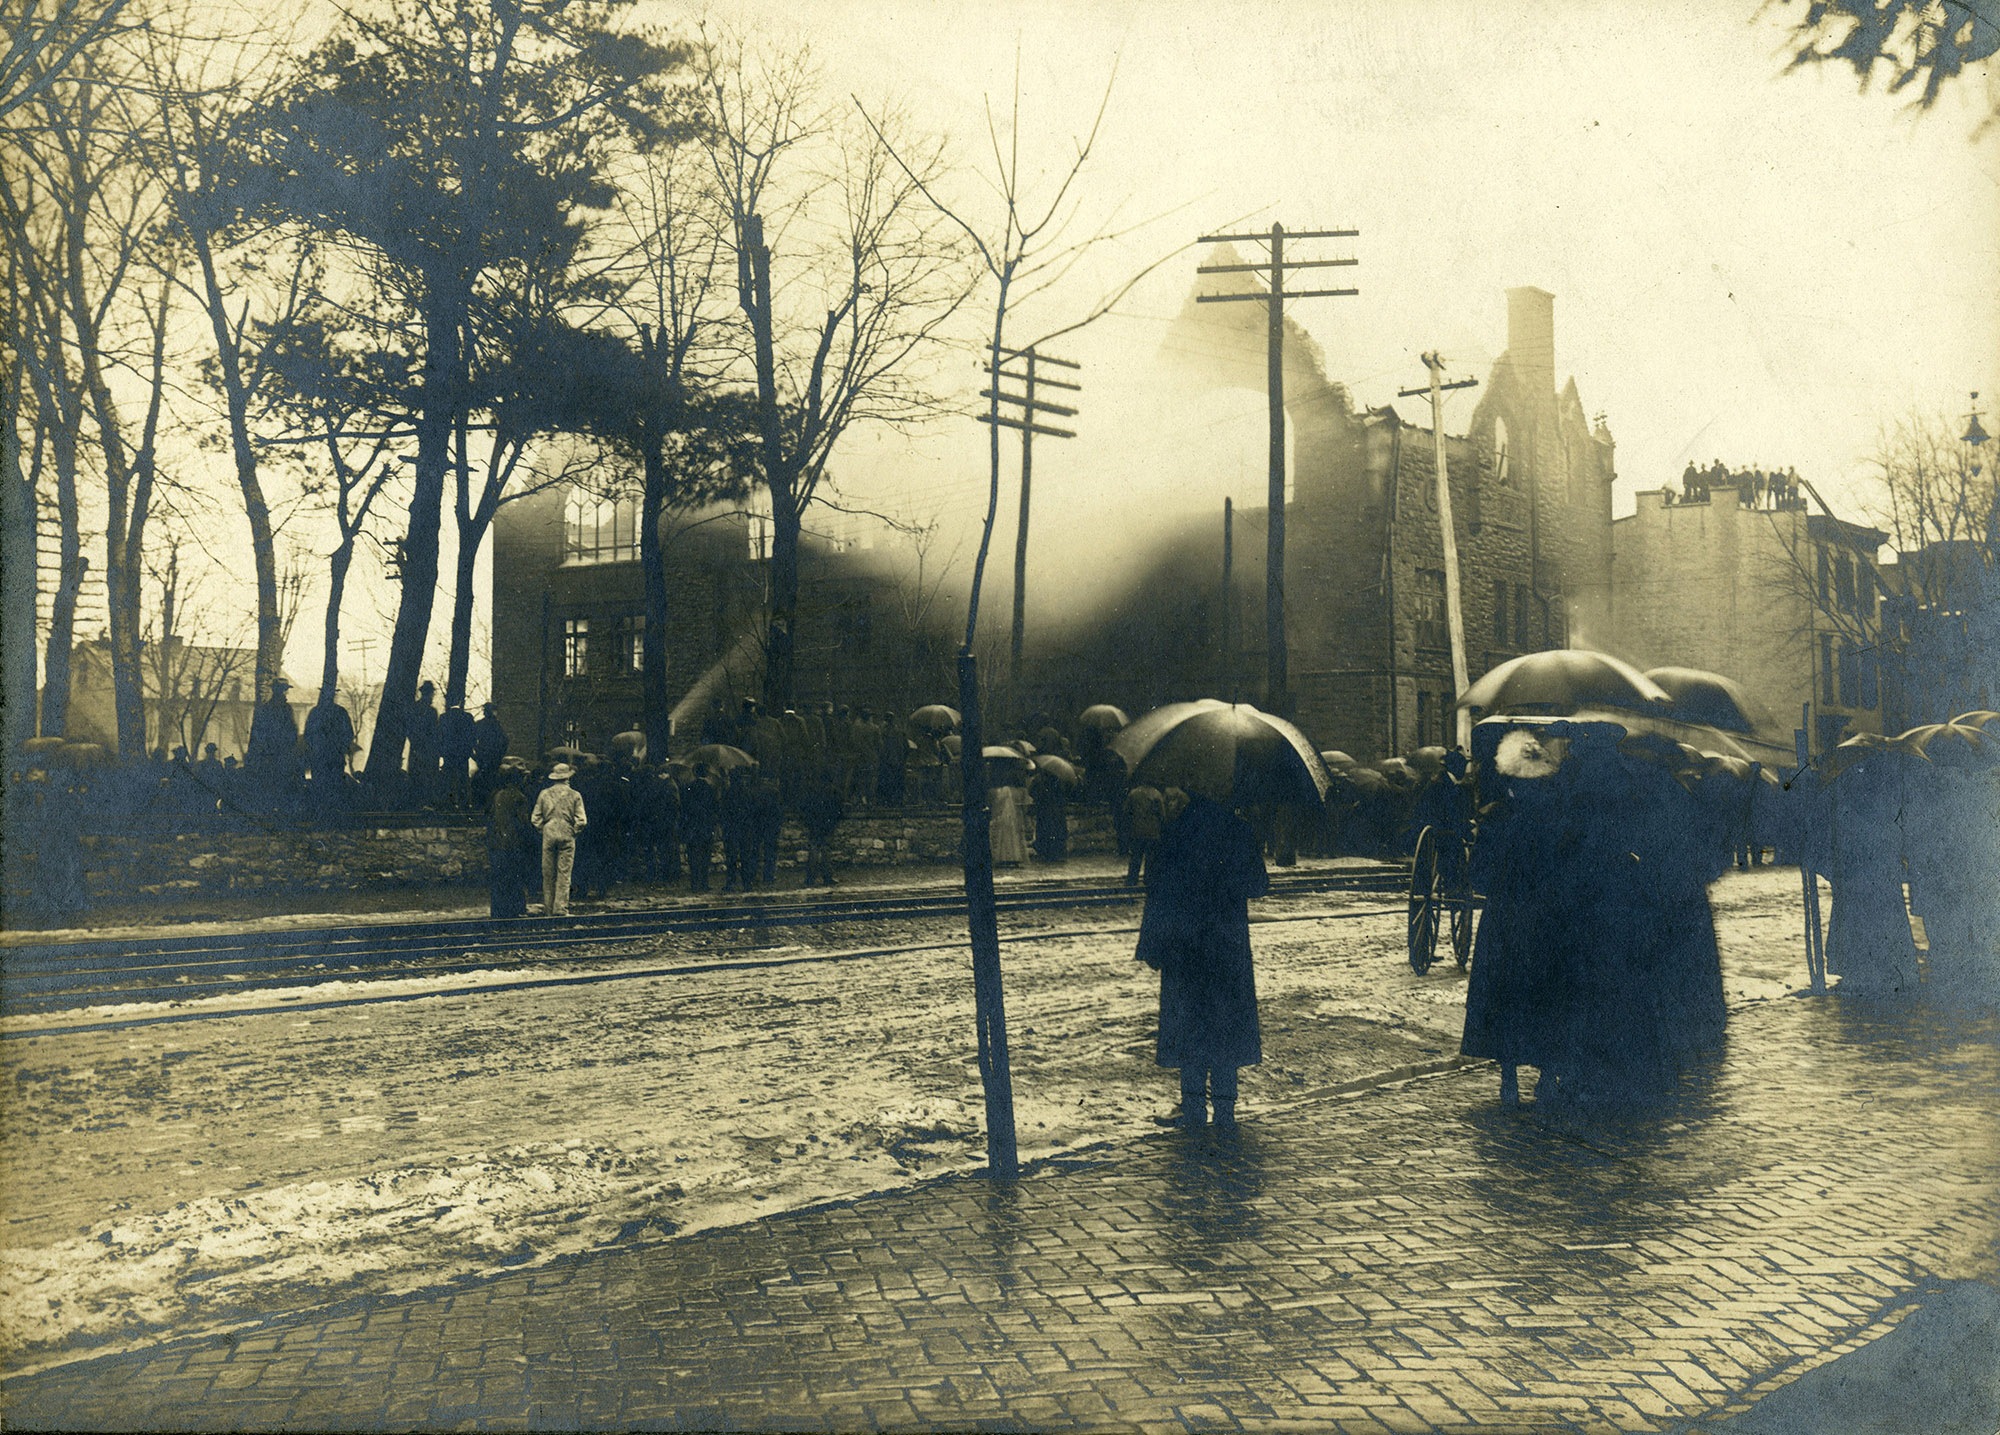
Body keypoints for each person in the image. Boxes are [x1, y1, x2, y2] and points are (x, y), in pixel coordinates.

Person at [1133, 788, 1270, 1130]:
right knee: (1225, 1027)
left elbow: (1155, 889)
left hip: (1185, 948)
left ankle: (1193, 1107)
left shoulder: (1174, 832)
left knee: (1189, 1027)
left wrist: (1151, 945)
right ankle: (1225, 1109)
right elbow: (1258, 885)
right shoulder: (1238, 830)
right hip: (1227, 947)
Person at [531, 761, 587, 916]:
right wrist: (574, 831)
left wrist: (543, 829)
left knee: (548, 873)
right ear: (567, 778)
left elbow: (535, 818)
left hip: (549, 831)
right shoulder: (575, 795)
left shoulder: (544, 794)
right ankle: (560, 908)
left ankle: (548, 908)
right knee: (564, 872)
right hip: (566, 831)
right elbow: (582, 820)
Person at [486, 764, 535, 918]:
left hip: (497, 842)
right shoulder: (520, 798)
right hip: (514, 843)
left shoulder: (498, 795)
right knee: (516, 877)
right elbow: (523, 822)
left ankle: (498, 911)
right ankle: (517, 909)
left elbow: (491, 817)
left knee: (499, 877)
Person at [246, 679, 301, 789]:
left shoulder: (264, 709)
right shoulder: (286, 709)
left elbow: (256, 736)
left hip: (267, 758)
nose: (285, 693)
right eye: (284, 690)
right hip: (282, 758)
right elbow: (293, 734)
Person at [798, 767, 844, 886]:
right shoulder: (835, 792)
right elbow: (840, 810)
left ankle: (810, 878)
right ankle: (827, 876)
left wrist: (809, 822)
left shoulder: (813, 791)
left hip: (815, 825)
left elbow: (805, 808)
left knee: (813, 850)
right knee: (826, 851)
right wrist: (834, 822)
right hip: (828, 825)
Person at [303, 692, 355, 794]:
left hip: (320, 758)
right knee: (334, 787)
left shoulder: (315, 712)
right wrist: (341, 749)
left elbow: (308, 735)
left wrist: (315, 749)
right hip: (334, 758)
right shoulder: (340, 712)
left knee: (320, 788)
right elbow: (349, 735)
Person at [681, 766, 720, 892]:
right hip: (706, 826)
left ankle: (694, 883)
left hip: (692, 826)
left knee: (693, 855)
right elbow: (715, 807)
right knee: (705, 855)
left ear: (694, 773)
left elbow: (684, 807)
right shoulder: (710, 788)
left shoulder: (688, 787)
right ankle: (704, 883)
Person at [721, 766, 756, 891]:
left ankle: (731, 882)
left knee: (731, 856)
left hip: (732, 828)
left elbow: (724, 811)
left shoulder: (727, 792)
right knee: (746, 856)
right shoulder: (747, 792)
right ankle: (747, 883)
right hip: (745, 828)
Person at [1123, 782, 1165, 887]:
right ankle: (1148, 879)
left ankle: (1132, 879)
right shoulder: (1156, 794)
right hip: (1152, 831)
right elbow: (1162, 814)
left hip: (1137, 830)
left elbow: (1126, 811)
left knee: (1135, 857)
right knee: (1150, 858)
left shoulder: (1133, 793)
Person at [406, 681, 441, 807]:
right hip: (428, 750)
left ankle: (415, 803)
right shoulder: (431, 711)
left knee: (416, 775)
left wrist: (415, 742)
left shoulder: (413, 708)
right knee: (427, 776)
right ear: (429, 693)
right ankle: (426, 803)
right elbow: (435, 732)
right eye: (432, 693)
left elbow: (409, 730)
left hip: (416, 748)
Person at [438, 701, 475, 810]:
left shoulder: (444, 717)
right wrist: (469, 750)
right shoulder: (467, 717)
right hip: (463, 754)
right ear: (460, 702)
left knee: (449, 778)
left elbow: (440, 736)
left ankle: (449, 803)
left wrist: (442, 752)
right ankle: (464, 803)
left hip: (449, 754)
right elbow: (472, 736)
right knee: (463, 777)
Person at [471, 702, 509, 807]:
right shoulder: (496, 725)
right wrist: (500, 755)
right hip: (493, 759)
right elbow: (505, 741)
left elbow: (471, 741)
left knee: (481, 781)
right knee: (492, 782)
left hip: (483, 758)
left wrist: (476, 754)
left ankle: (479, 804)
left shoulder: (479, 724)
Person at [751, 771, 784, 886]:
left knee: (755, 850)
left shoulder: (755, 791)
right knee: (770, 851)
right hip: (771, 825)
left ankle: (754, 875)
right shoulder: (774, 791)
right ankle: (768, 875)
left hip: (757, 825)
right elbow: (778, 809)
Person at [989, 773, 1029, 866]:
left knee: (1001, 837)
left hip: (1000, 816)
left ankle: (1001, 857)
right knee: (1015, 837)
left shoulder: (995, 791)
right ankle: (1015, 857)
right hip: (1016, 817)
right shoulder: (1020, 791)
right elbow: (1025, 806)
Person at [1031, 766, 1069, 862]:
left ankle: (1046, 852)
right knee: (1055, 831)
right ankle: (1054, 852)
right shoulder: (1059, 780)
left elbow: (1032, 792)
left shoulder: (1039, 779)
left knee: (1045, 831)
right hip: (1055, 811)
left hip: (1044, 810)